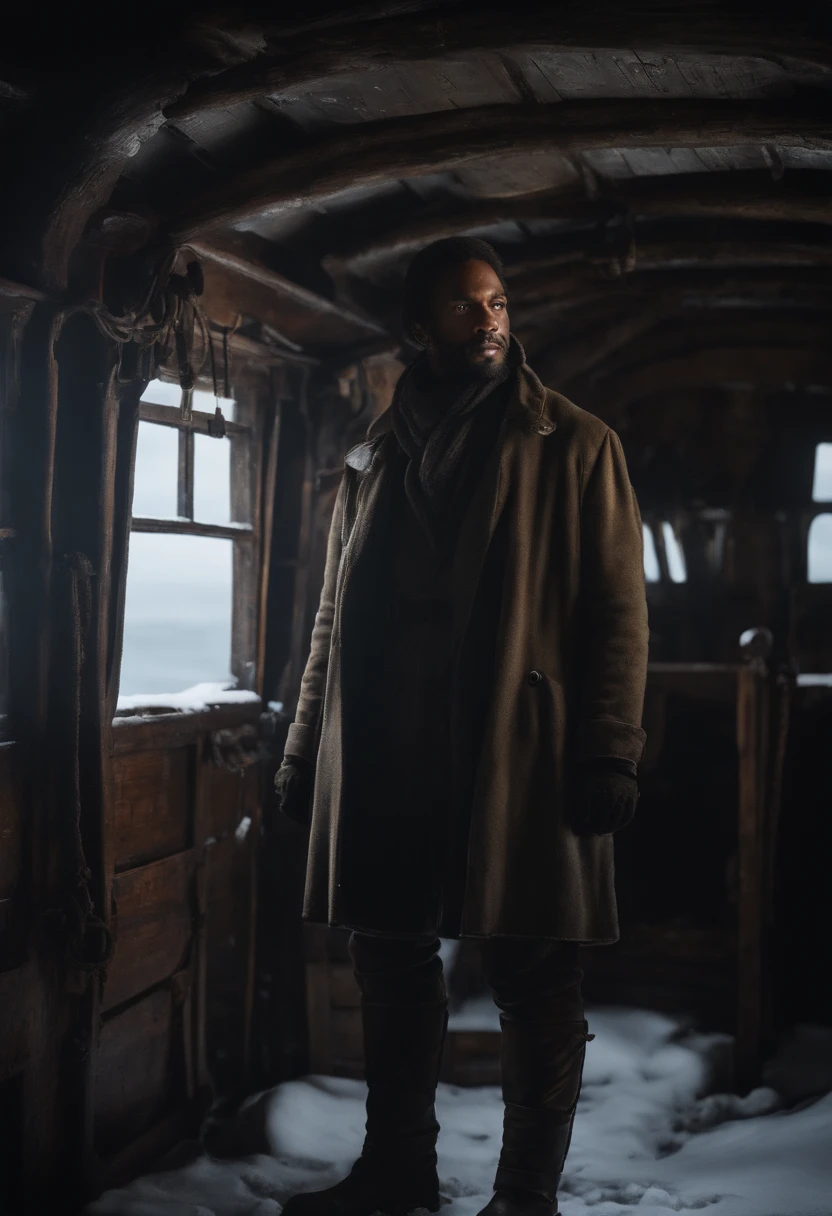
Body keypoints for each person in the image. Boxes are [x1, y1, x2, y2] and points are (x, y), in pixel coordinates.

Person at [275, 237, 649, 1216]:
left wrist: (610, 745)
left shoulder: (574, 443)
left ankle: (524, 1196)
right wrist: (304, 749)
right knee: (391, 959)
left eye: (495, 301)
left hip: (518, 751)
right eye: (461, 306)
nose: (487, 319)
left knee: (532, 968)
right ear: (416, 328)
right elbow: (330, 620)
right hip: (393, 751)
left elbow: (617, 611)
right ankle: (396, 1173)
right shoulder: (372, 454)